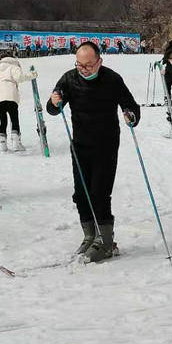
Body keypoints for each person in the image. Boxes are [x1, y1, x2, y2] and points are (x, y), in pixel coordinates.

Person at [46, 42, 139, 262]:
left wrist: (130, 115)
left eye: (88, 65)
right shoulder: (69, 79)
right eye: (80, 65)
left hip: (106, 144)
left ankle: (105, 241)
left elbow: (131, 105)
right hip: (80, 144)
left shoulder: (112, 79)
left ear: (99, 61)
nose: (84, 69)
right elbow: (52, 108)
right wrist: (54, 102)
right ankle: (90, 236)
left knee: (99, 193)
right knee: (81, 194)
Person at [0, 53, 37, 152]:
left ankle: (3, 145)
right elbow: (19, 78)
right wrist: (32, 75)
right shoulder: (13, 66)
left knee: (3, 120)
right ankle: (16, 144)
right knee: (14, 118)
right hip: (10, 95)